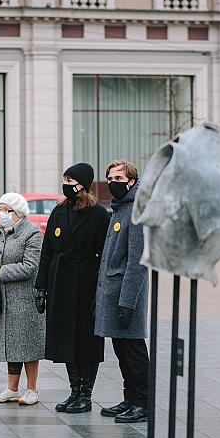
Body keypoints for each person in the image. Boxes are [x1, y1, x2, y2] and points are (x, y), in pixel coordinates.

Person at [35, 163, 109, 413]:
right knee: (66, 337)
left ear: (82, 184)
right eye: (64, 178)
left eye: (70, 179)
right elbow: (47, 249)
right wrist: (41, 286)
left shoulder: (99, 214)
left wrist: (101, 290)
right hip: (61, 280)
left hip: (86, 281)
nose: (66, 183)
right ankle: (74, 390)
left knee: (86, 339)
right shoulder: (58, 211)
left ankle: (86, 394)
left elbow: (103, 255)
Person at [94, 160, 150, 424]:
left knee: (133, 350)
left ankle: (142, 403)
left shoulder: (136, 211)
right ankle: (130, 398)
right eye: (109, 177)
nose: (112, 181)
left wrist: (127, 302)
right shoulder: (120, 209)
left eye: (118, 177)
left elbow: (137, 260)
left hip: (127, 296)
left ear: (132, 181)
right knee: (122, 350)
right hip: (112, 294)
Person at [0, 193, 46, 406]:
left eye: (6, 210)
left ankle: (32, 389)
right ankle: (12, 388)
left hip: (25, 297)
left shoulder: (32, 233)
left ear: (18, 212)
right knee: (10, 343)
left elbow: (30, 267)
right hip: (4, 298)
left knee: (27, 344)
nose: (1, 214)